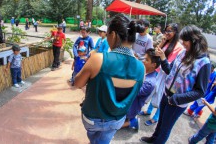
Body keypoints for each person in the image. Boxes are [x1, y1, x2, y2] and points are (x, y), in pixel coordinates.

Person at [74, 14, 145, 144]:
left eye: (107, 35)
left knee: (94, 138)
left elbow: (78, 83)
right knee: (104, 140)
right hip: (117, 120)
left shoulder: (98, 59)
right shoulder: (142, 68)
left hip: (92, 119)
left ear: (112, 35)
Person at [140, 25, 211, 144]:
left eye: (185, 40)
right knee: (161, 121)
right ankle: (154, 138)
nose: (183, 43)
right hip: (166, 94)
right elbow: (169, 70)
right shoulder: (183, 53)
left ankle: (158, 141)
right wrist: (162, 57)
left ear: (194, 40)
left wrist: (176, 99)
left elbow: (200, 91)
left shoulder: (204, 62)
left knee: (165, 128)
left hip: (177, 102)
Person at [139, 23, 184, 126]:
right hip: (158, 72)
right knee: (153, 92)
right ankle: (149, 110)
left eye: (169, 31)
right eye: (166, 30)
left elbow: (170, 66)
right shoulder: (166, 42)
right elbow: (154, 54)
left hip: (167, 76)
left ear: (176, 32)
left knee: (162, 95)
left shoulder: (179, 48)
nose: (166, 33)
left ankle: (156, 117)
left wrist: (163, 57)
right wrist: (162, 43)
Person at [122, 49, 161, 131]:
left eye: (147, 60)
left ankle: (133, 122)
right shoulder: (144, 71)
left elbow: (133, 91)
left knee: (112, 126)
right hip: (127, 103)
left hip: (131, 108)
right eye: (144, 58)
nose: (143, 61)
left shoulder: (150, 82)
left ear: (153, 65)